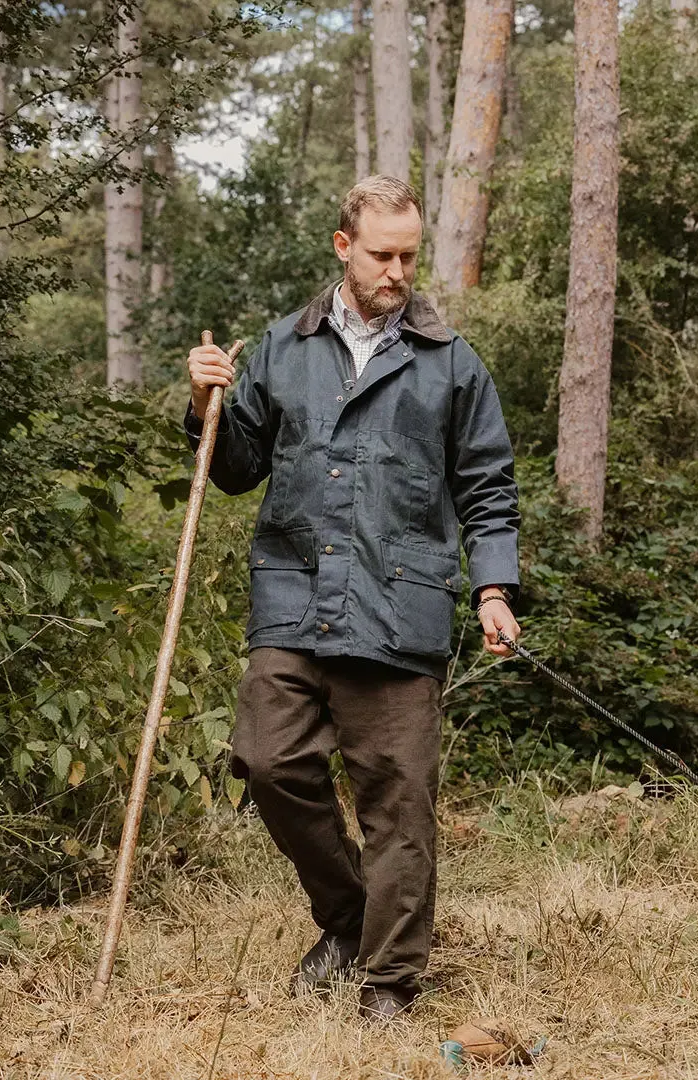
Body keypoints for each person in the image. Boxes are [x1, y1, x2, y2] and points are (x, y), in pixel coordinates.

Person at [184, 175, 521, 1022]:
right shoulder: (282, 349)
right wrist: (203, 403)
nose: (398, 271)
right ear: (344, 247)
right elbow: (232, 471)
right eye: (382, 255)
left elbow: (487, 485)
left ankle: (390, 980)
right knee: (266, 761)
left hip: (399, 608)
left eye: (410, 255)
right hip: (294, 599)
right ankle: (345, 918)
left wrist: (492, 587)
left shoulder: (453, 364)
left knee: (398, 802)